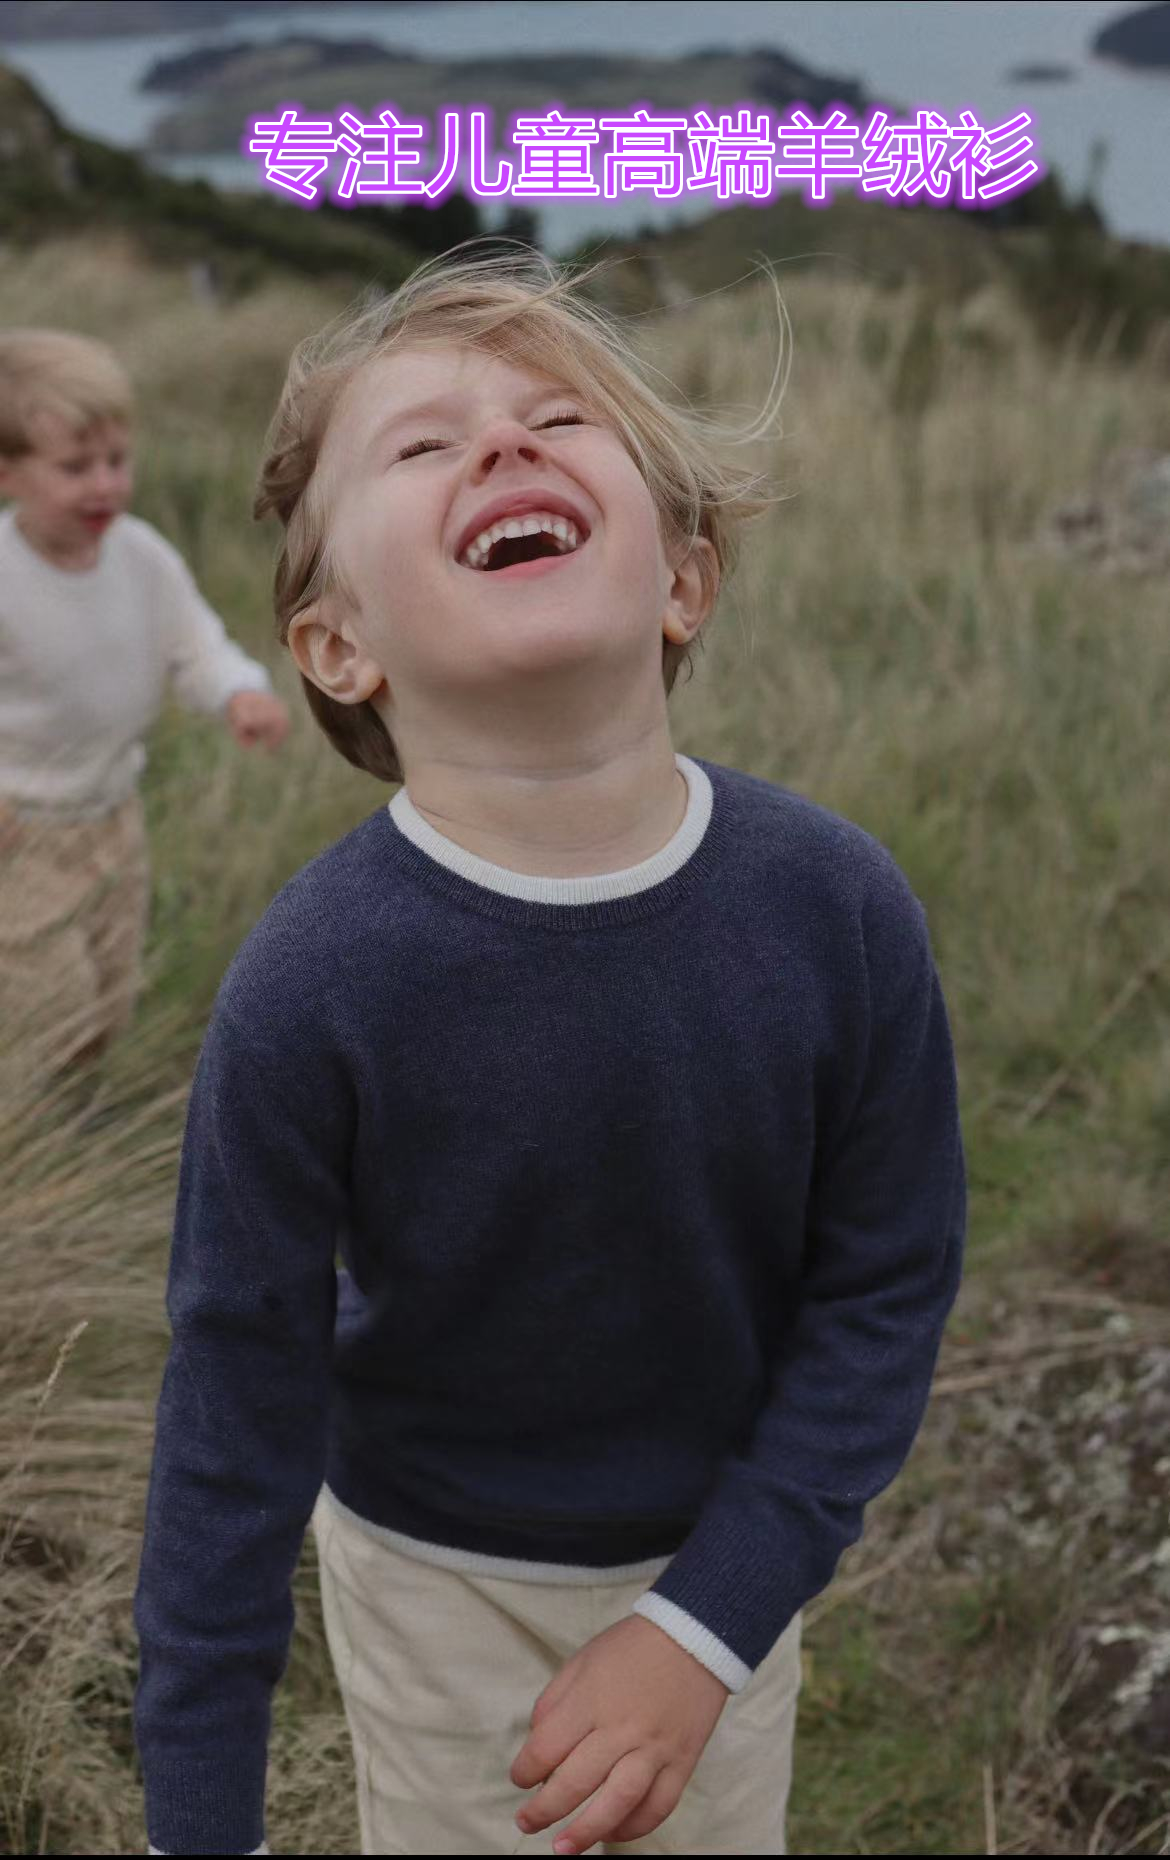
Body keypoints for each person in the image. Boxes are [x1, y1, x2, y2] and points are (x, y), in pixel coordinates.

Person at [133, 247, 967, 1857]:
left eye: (556, 418)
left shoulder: (836, 910)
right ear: (333, 648)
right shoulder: (311, 986)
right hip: (431, 1574)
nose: (502, 449)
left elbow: (882, 1288)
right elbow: (234, 1407)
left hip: (724, 1568)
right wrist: (197, 1820)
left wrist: (707, 1625)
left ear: (683, 581)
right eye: (424, 445)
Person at [0, 329, 290, 1082]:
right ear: (8, 473)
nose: (105, 485)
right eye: (74, 468)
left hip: (115, 817)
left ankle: (73, 1103)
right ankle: (38, 1148)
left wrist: (238, 690)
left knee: (108, 999)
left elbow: (194, 643)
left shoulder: (142, 555)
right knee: (45, 1008)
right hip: (21, 834)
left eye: (116, 462)